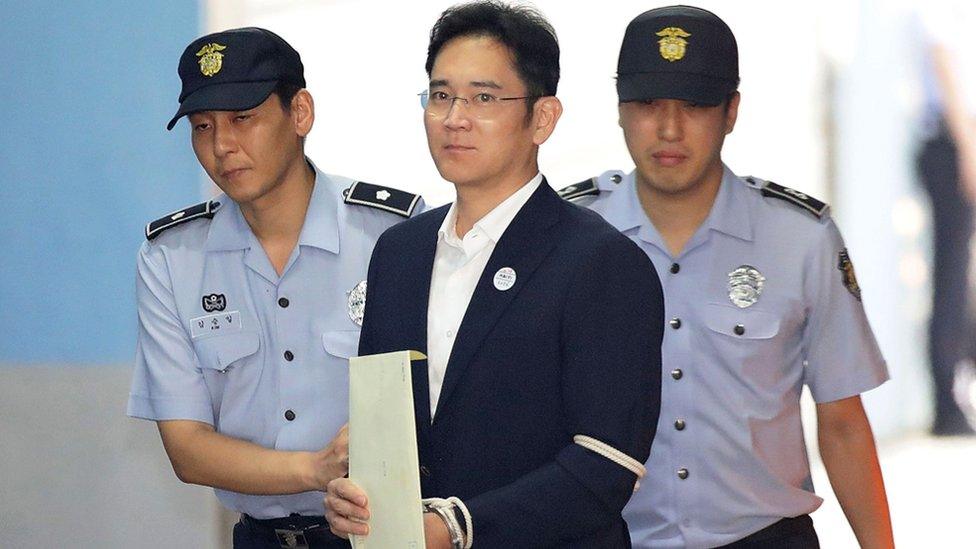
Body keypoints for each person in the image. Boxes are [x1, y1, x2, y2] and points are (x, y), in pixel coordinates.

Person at [324, 2, 664, 547]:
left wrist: (455, 529)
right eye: (440, 95)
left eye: (483, 98)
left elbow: (606, 462)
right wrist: (354, 492)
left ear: (543, 118)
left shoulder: (600, 261)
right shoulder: (399, 251)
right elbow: (388, 424)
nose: (455, 117)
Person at [561, 6, 894, 548]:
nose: (669, 129)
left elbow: (842, 420)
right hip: (608, 537)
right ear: (619, 110)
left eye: (694, 106)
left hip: (764, 536)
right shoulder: (568, 234)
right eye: (648, 105)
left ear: (731, 110)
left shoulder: (800, 238)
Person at [126, 27, 422, 548]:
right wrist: (316, 469)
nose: (222, 146)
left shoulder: (395, 234)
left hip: (383, 535)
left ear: (301, 113)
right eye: (202, 126)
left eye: (244, 118)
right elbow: (188, 450)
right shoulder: (171, 258)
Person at [915, 0, 976, 436]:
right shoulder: (937, 11)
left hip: (963, 140)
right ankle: (945, 405)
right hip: (953, 144)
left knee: (961, 278)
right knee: (952, 278)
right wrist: (969, 149)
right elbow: (947, 71)